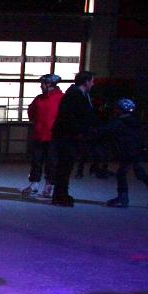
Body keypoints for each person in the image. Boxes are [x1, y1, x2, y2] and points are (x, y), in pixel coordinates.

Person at [98, 98, 148, 209]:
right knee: (139, 173)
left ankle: (123, 198)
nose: (115, 110)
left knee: (122, 173)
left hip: (129, 151)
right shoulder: (133, 121)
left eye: (117, 108)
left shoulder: (120, 122)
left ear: (121, 110)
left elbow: (104, 130)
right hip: (136, 150)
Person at [50, 70, 98, 207]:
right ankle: (60, 195)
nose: (93, 84)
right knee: (64, 166)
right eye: (92, 81)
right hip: (68, 136)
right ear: (86, 82)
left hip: (70, 136)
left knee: (66, 166)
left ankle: (60, 194)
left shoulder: (80, 95)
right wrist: (79, 131)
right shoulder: (74, 96)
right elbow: (70, 117)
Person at [20, 74, 63, 199]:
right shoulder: (39, 98)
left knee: (51, 162)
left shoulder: (61, 98)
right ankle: (34, 184)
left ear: (50, 84)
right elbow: (31, 111)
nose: (41, 86)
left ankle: (49, 185)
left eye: (43, 83)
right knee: (36, 161)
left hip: (53, 137)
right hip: (39, 135)